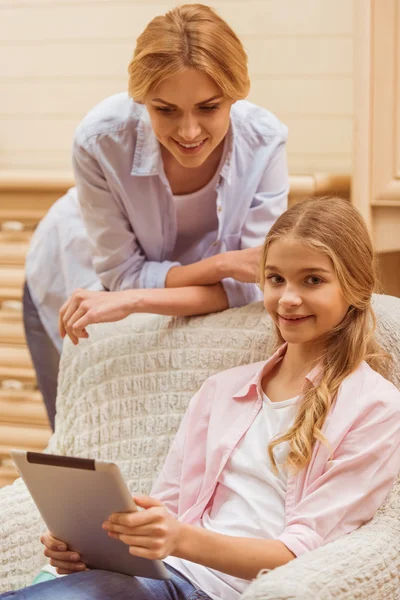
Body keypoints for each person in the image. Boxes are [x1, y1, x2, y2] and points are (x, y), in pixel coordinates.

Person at [5, 197, 400, 600]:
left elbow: (302, 551)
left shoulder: (373, 407)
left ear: (355, 286)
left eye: (312, 280)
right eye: (276, 278)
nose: (287, 299)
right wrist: (95, 550)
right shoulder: (222, 390)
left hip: (216, 590)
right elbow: (171, 507)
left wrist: (180, 541)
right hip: (163, 576)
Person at [23, 3, 289, 431]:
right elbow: (122, 277)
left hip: (131, 299)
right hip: (73, 281)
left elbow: (253, 288)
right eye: (165, 110)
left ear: (237, 93)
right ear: (142, 99)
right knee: (83, 435)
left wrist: (133, 298)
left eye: (208, 107)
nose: (188, 132)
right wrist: (222, 267)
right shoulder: (100, 141)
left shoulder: (265, 143)